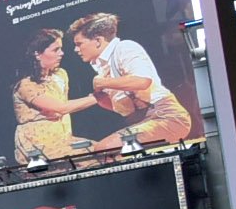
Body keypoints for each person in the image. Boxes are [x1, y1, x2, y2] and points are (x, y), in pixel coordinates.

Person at [70, 12, 196, 145]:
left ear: (98, 41)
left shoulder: (125, 47)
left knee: (106, 148)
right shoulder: (101, 65)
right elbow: (123, 108)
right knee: (97, 150)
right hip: (140, 120)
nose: (75, 49)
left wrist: (103, 82)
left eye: (79, 44)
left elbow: (143, 81)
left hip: (165, 116)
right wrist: (102, 99)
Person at [12, 27, 92, 164]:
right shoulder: (26, 85)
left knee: (105, 150)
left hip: (64, 138)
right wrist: (96, 97)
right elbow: (60, 108)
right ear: (37, 54)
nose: (61, 53)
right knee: (94, 156)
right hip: (37, 146)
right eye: (56, 50)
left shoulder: (60, 75)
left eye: (61, 49)